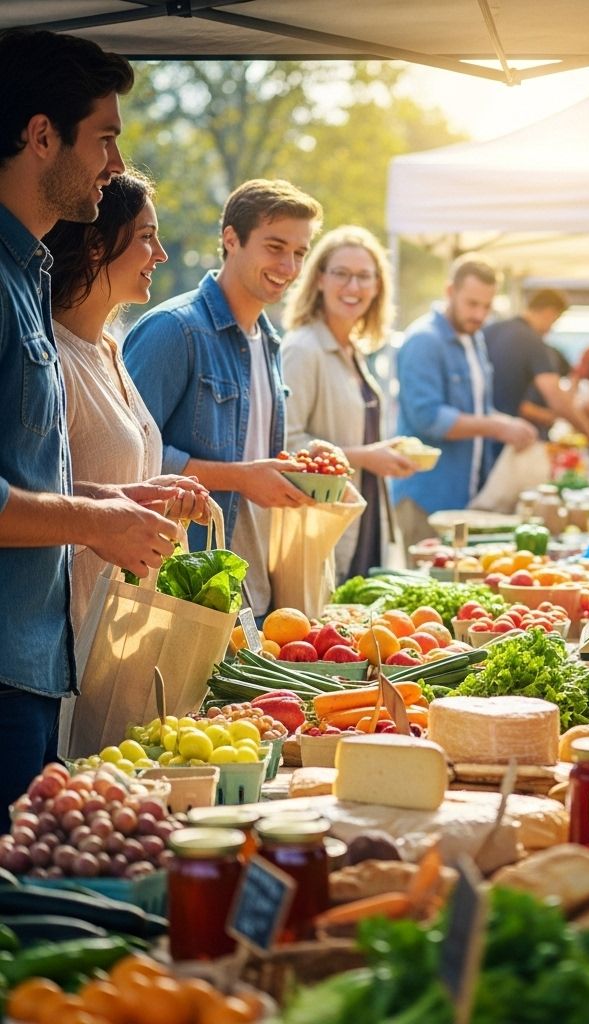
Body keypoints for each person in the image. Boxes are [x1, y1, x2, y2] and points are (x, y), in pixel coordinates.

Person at [0, 29, 187, 832]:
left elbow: (22, 473)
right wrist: (96, 519)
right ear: (42, 136)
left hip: (37, 670)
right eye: (104, 138)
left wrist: (113, 498)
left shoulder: (26, 276)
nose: (115, 164)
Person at [124, 179, 333, 620]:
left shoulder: (269, 343)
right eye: (275, 247)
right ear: (231, 239)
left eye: (299, 252)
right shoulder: (173, 329)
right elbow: (128, 461)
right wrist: (242, 478)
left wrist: (301, 466)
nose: (289, 266)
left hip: (253, 593)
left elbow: (248, 456)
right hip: (185, 593)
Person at [44, 170, 213, 635]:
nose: (160, 254)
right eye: (146, 237)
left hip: (118, 633)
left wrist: (158, 493)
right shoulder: (52, 358)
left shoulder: (111, 350)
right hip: (65, 633)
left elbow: (107, 480)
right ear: (97, 244)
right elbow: (34, 495)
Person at [280, 225, 414, 579]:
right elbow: (285, 444)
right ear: (320, 279)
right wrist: (366, 457)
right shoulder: (302, 349)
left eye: (364, 277)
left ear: (377, 287)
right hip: (324, 524)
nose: (353, 287)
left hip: (362, 516)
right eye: (341, 274)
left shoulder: (353, 349)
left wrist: (380, 451)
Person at [392, 254, 537, 545]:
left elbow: (477, 410)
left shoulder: (475, 339)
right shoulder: (424, 340)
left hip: (466, 496)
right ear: (450, 292)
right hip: (426, 499)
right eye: (472, 304)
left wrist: (507, 423)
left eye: (486, 306)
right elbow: (429, 418)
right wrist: (497, 428)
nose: (479, 315)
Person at [484, 289, 589, 447]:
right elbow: (556, 399)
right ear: (549, 312)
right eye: (555, 320)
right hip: (509, 440)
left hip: (483, 434)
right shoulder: (532, 341)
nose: (551, 328)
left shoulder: (490, 330)